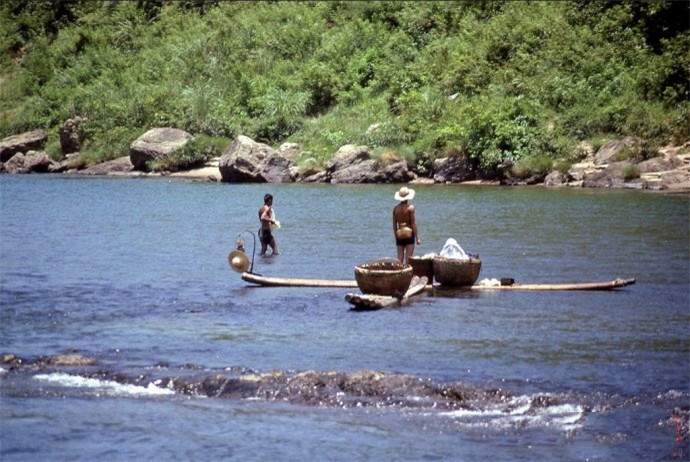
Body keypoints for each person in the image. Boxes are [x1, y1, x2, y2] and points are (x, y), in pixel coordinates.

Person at [393, 186, 420, 265]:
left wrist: (396, 237)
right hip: (409, 234)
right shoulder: (410, 208)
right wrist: (417, 237)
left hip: (399, 234)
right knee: (408, 259)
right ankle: (407, 275)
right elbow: (413, 223)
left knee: (399, 258)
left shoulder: (395, 209)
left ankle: (398, 275)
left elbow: (394, 225)